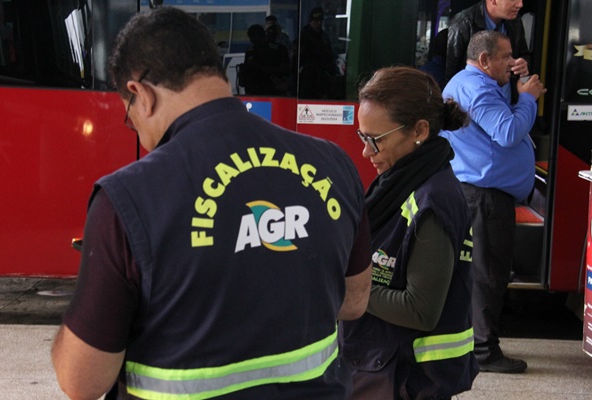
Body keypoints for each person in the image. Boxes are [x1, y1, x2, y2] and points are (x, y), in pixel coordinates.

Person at [51, 7, 373, 400]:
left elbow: (82, 382)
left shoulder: (128, 198)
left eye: (128, 117)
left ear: (141, 94)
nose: (136, 130)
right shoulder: (334, 163)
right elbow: (355, 302)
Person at [340, 66, 478, 399]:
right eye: (362, 137)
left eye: (376, 140)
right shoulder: (401, 183)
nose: (366, 151)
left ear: (419, 130)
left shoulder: (434, 199)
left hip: (410, 379)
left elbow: (420, 309)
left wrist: (345, 290)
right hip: (385, 367)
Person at [440, 30, 546, 374]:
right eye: (505, 56)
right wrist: (528, 98)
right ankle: (484, 351)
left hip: (481, 193)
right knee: (488, 274)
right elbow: (508, 132)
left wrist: (514, 80)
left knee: (481, 271)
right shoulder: (476, 88)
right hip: (483, 198)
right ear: (484, 60)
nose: (511, 61)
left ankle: (476, 343)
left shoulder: (476, 84)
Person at [445, 0, 529, 102]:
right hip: (475, 104)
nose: (520, 4)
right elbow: (449, 74)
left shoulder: (515, 22)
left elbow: (523, 54)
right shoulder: (462, 24)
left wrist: (523, 63)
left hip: (506, 100)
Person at [295, 7, 336, 99]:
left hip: (322, 76)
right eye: (316, 21)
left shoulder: (324, 37)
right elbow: (298, 58)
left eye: (320, 21)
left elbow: (329, 57)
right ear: (311, 21)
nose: (319, 23)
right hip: (308, 76)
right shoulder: (304, 36)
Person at [240, 23, 290, 95]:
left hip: (272, 89)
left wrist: (260, 67)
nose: (253, 40)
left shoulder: (278, 49)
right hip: (253, 90)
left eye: (255, 37)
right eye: (251, 38)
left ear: (262, 35)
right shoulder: (250, 51)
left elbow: (285, 70)